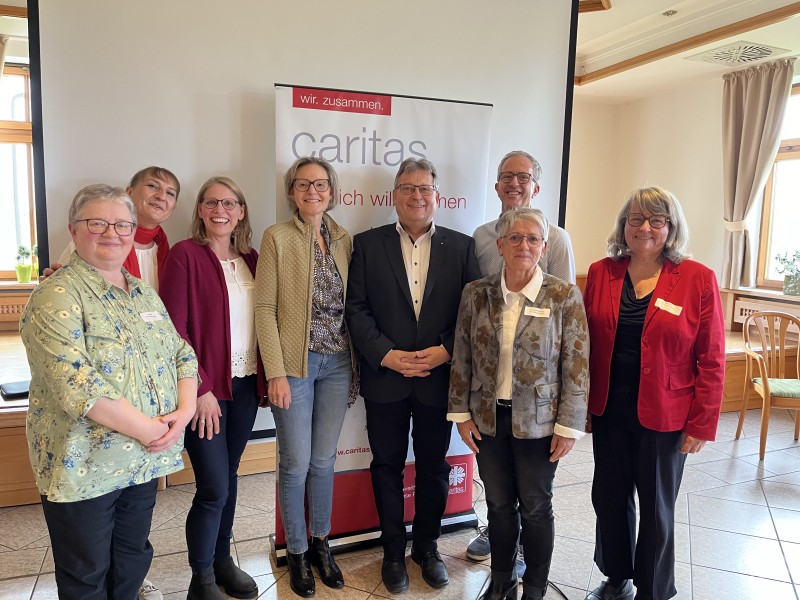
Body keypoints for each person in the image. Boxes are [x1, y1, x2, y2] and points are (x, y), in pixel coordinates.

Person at [20, 184, 198, 600]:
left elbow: (181, 353)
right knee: (87, 575)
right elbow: (77, 384)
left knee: (131, 561)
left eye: (122, 225)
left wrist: (186, 409)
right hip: (86, 466)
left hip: (141, 462)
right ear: (74, 229)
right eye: (97, 223)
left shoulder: (142, 292)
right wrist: (152, 431)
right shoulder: (56, 295)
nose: (112, 233)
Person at [346, 158, 481, 594]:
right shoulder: (368, 244)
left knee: (433, 468)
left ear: (437, 196)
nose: (416, 196)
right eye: (408, 188)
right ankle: (392, 552)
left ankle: (426, 547)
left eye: (425, 189)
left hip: (438, 380)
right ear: (394, 195)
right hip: (386, 378)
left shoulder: (462, 247)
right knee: (386, 466)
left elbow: (474, 313)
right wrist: (387, 355)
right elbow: (356, 309)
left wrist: (445, 351)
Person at [583, 187, 725, 600]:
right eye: (636, 218)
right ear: (623, 225)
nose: (644, 227)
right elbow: (584, 345)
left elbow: (712, 356)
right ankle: (616, 576)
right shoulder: (601, 272)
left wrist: (701, 423)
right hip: (609, 408)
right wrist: (580, 406)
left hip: (667, 413)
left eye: (656, 220)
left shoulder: (697, 278)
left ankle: (654, 589)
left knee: (657, 507)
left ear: (670, 227)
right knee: (609, 498)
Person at [448, 208, 589, 600]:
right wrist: (460, 414)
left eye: (532, 239)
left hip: (541, 423)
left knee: (536, 506)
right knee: (498, 504)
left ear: (544, 247)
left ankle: (536, 588)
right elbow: (462, 355)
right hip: (487, 418)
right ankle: (502, 579)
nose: (523, 245)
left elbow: (577, 366)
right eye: (515, 238)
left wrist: (569, 426)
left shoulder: (563, 295)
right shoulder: (476, 293)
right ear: (500, 245)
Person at [467, 150, 577, 568]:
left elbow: (567, 321)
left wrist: (567, 415)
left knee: (534, 495)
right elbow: (475, 313)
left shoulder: (557, 239)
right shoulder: (480, 236)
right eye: (507, 176)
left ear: (536, 186)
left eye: (524, 177)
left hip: (537, 394)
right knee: (498, 491)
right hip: (493, 386)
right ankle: (500, 544)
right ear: (496, 185)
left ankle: (528, 562)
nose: (515, 183)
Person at [160, 177, 264, 600]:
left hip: (245, 385)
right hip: (205, 391)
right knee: (213, 487)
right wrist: (199, 388)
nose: (221, 210)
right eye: (212, 202)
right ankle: (201, 578)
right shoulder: (185, 255)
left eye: (229, 203)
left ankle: (222, 560)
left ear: (241, 211)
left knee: (230, 476)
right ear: (201, 210)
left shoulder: (253, 258)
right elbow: (173, 329)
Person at [255, 157, 354, 598]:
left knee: (323, 461)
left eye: (320, 184)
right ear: (291, 192)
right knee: (295, 463)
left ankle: (320, 543)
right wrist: (275, 371)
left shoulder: (343, 238)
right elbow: (265, 309)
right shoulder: (276, 237)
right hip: (295, 366)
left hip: (338, 363)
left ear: (332, 190)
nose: (312, 191)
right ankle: (295, 551)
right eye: (303, 184)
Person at [52, 165, 180, 292]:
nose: (162, 197)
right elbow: (60, 288)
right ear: (129, 192)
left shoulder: (170, 254)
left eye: (170, 193)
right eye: (152, 186)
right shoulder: (93, 242)